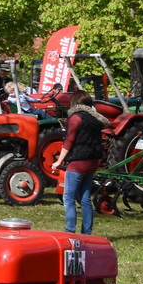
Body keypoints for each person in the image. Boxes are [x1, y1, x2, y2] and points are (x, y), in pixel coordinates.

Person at [50, 91, 107, 235]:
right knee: (85, 198)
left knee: (68, 197)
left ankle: (70, 231)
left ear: (75, 102)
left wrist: (59, 161)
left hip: (78, 162)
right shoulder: (95, 120)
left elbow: (69, 142)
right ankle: (87, 232)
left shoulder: (76, 118)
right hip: (92, 161)